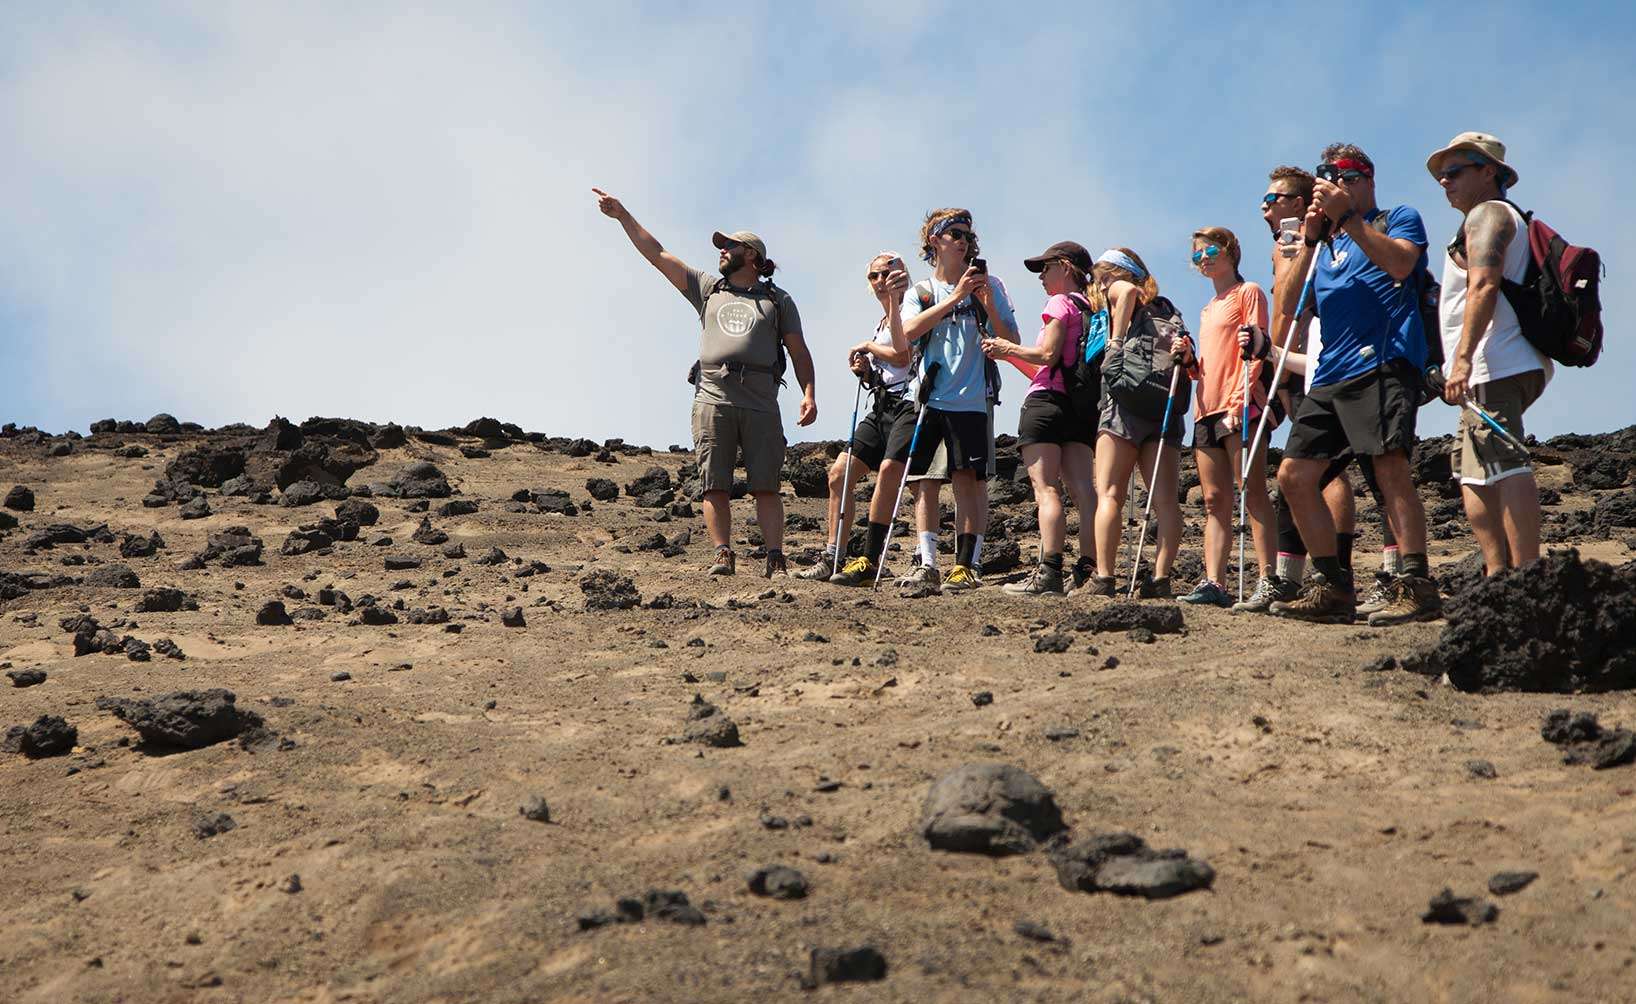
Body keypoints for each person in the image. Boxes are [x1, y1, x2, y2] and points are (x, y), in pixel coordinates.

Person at [592, 188, 816, 577]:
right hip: (713, 395)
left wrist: (809, 394)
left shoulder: (778, 301)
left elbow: (799, 351)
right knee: (715, 482)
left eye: (729, 246)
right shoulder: (708, 288)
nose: (721, 251)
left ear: (752, 256)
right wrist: (623, 215)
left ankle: (775, 556)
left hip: (761, 399)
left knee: (767, 484)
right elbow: (657, 255)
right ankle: (722, 553)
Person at [1267, 145, 1443, 625]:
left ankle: (1415, 583)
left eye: (1344, 177)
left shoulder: (1395, 218)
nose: (1335, 186)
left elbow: (1404, 265)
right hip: (1330, 373)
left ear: (1366, 179)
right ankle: (1333, 585)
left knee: (1389, 470)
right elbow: (1287, 306)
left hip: (1382, 362)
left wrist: (1350, 221)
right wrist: (1308, 239)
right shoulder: (1325, 244)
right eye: (1328, 179)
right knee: (1294, 476)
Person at [1428, 132, 1550, 574]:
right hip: (1489, 365)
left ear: (1489, 172)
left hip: (1496, 360)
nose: (1445, 181)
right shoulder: (1486, 217)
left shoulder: (1488, 215)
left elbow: (1484, 284)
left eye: (1455, 171)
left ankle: (1526, 577)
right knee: (1474, 472)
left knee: (1504, 462)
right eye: (1442, 175)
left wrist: (1460, 359)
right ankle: (1499, 577)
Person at [900, 208, 1019, 592]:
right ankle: (928, 561)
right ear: (935, 240)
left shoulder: (991, 285)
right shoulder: (922, 291)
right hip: (932, 396)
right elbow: (907, 335)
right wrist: (956, 297)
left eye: (967, 233)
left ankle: (968, 563)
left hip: (973, 397)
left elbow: (1010, 339)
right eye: (954, 233)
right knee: (926, 481)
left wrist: (983, 300)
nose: (963, 239)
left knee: (970, 480)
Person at [983, 241, 1102, 595]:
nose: (1041, 277)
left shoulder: (1059, 303)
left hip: (1045, 407)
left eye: (1046, 268)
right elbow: (1051, 366)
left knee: (1046, 489)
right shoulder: (1092, 310)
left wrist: (1008, 348)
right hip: (1079, 409)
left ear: (1065, 267)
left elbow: (1047, 356)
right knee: (1084, 491)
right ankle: (1087, 568)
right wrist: (1010, 357)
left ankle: (1049, 571)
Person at [794, 253, 917, 584]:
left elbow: (904, 356)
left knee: (891, 474)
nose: (880, 281)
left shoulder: (914, 309)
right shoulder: (881, 323)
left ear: (903, 275)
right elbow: (892, 366)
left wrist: (869, 348)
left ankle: (870, 558)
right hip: (881, 405)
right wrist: (867, 372)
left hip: (908, 405)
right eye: (874, 276)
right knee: (839, 474)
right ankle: (833, 555)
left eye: (887, 274)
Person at [1177, 227, 1274, 607]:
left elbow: (1257, 349)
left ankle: (1268, 579)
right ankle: (1214, 582)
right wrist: (1188, 360)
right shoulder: (1207, 309)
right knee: (1214, 500)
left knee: (1251, 491)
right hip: (1205, 409)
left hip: (1240, 407)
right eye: (1198, 254)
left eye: (1210, 250)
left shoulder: (1247, 292)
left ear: (1231, 249)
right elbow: (1205, 367)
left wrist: (1240, 399)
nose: (1204, 258)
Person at [1089, 247, 1190, 598]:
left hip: (1125, 407)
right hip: (1163, 409)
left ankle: (1104, 578)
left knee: (1110, 493)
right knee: (1165, 500)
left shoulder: (1119, 289)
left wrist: (1115, 341)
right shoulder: (1168, 310)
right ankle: (1160, 579)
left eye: (1100, 277)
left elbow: (1127, 291)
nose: (1099, 286)